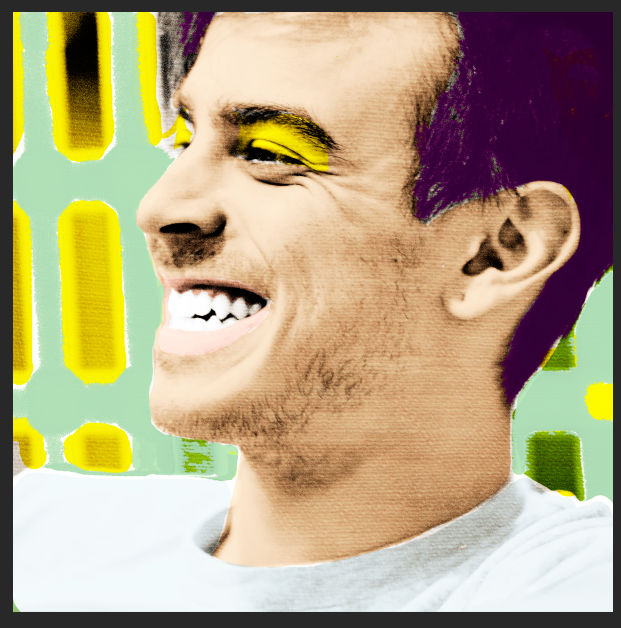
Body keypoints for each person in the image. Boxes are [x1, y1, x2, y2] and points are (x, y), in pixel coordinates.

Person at [14, 12, 612, 611]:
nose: (158, 207)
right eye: (186, 138)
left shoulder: (574, 586)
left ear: (497, 251)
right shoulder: (55, 537)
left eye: (269, 153)